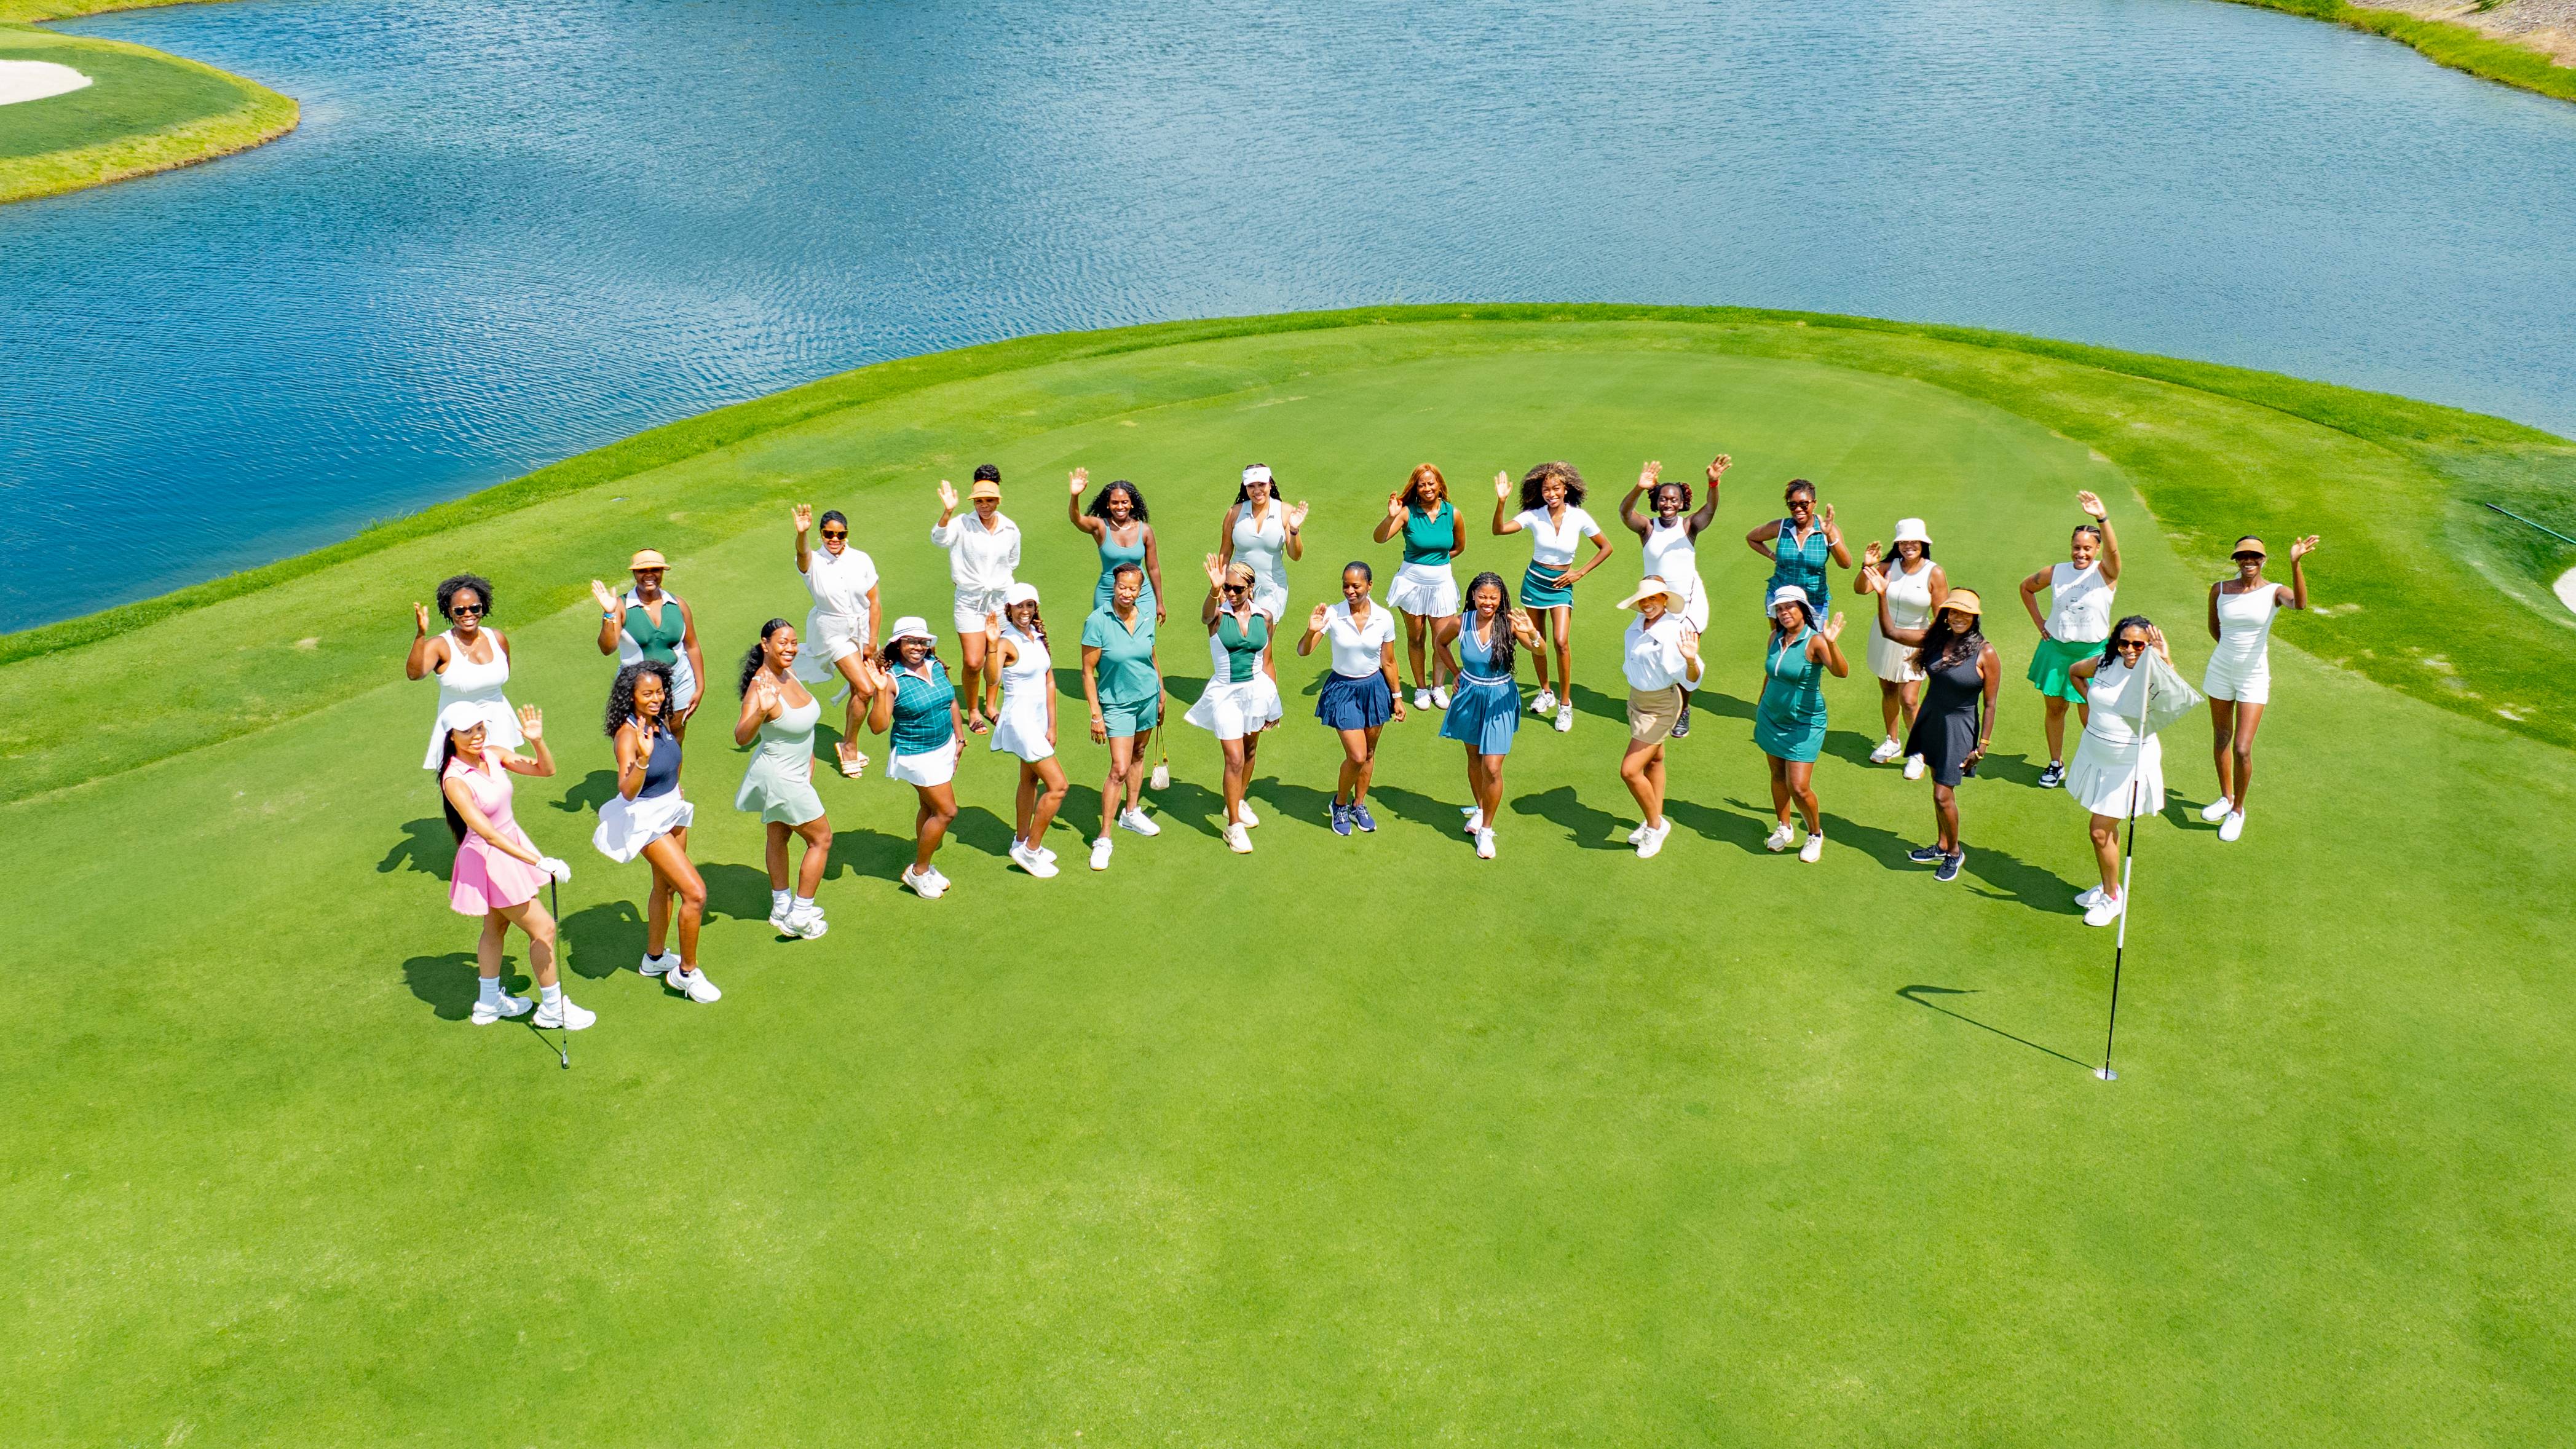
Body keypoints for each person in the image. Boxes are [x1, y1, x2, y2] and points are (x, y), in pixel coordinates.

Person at [436, 701, 588, 1030]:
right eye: (467, 731)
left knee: (495, 928)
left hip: (508, 848)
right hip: (491, 858)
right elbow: (488, 834)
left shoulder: (492, 753)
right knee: (544, 929)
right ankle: (552, 1008)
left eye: (479, 727)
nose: (477, 736)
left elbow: (545, 770)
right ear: (450, 737)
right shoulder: (454, 780)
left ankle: (488, 1004)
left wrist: (537, 740)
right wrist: (540, 861)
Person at [594, 661, 717, 1003]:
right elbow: (627, 789)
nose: (656, 698)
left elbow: (675, 758)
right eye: (647, 694)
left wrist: (675, 788)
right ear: (630, 697)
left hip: (671, 809)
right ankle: (687, 973)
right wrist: (644, 760)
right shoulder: (627, 735)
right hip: (645, 820)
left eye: (660, 691)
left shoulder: (660, 721)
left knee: (665, 889)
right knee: (695, 893)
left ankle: (654, 958)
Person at [1871, 588, 2000, 883]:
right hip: (1931, 720)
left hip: (1960, 726)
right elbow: (1890, 631)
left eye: (1965, 614)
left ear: (1974, 618)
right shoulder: (1935, 640)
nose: (1959, 618)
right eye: (1954, 612)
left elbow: (1990, 703)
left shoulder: (1986, 652)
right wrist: (1881, 594)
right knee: (1936, 786)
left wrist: (1982, 745)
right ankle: (1942, 845)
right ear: (1946, 614)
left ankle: (1955, 852)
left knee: (1944, 795)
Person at [2202, 534, 2318, 842]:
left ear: (2264, 559)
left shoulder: (2274, 591)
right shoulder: (2220, 589)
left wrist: (2296, 563)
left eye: (2254, 556)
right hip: (2220, 671)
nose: (2248, 561)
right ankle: (2226, 798)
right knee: (2222, 738)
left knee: (2242, 747)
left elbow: (2301, 604)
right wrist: (2230, 655)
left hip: (2253, 676)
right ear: (2236, 561)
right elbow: (2216, 629)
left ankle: (2238, 810)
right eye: (2243, 557)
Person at [2066, 617, 2175, 928]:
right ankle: (2108, 884)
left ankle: (2113, 898)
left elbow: (2171, 700)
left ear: (2148, 645)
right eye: (2124, 642)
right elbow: (2075, 672)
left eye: (2139, 644)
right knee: (2105, 829)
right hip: (2096, 753)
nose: (2130, 650)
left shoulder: (2154, 670)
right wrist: (2094, 706)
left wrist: (2165, 657)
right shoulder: (2103, 663)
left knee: (2099, 831)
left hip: (2130, 763)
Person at [1491, 460, 1613, 732]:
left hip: (1561, 586)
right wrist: (1501, 502)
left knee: (1560, 641)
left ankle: (1565, 705)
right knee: (1538, 641)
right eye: (1546, 489)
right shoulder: (1534, 515)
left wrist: (1578, 573)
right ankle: (1546, 692)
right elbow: (1499, 530)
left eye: (1556, 488)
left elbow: (1606, 548)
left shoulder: (1580, 516)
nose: (1551, 494)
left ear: (1566, 489)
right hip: (1535, 583)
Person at [733, 618, 832, 940]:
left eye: (794, 642)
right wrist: (761, 712)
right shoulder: (760, 685)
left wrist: (810, 760)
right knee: (821, 839)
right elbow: (742, 736)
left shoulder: (789, 672)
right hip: (779, 776)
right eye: (783, 642)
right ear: (765, 644)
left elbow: (802, 727)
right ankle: (800, 916)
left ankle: (781, 906)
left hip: (794, 773)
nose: (791, 648)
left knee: (778, 836)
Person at [856, 617, 968, 899]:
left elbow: (951, 701)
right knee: (947, 811)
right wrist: (881, 691)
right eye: (911, 641)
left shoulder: (937, 666)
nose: (918, 646)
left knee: (930, 808)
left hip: (944, 744)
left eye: (922, 641)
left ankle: (926, 867)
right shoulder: (892, 679)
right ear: (897, 644)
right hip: (916, 753)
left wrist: (960, 738)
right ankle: (918, 872)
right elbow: (878, 727)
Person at [2017, 492, 2123, 788]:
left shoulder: (2106, 572)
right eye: (2077, 547)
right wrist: (2041, 624)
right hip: (2056, 652)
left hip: (2092, 656)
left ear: (2098, 549)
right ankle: (2055, 764)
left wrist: (2101, 518)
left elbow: (2115, 553)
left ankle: (2097, 766)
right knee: (2055, 709)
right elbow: (2026, 588)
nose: (2081, 553)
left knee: (2091, 713)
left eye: (2088, 548)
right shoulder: (2056, 572)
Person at [1436, 572, 1544, 859]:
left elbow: (1541, 650)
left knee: (1493, 767)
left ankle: (1486, 830)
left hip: (1500, 699)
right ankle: (1481, 809)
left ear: (1500, 599)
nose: (1487, 602)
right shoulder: (1461, 623)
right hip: (1470, 695)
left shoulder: (1509, 624)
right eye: (1482, 596)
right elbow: (1440, 644)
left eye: (1493, 598)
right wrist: (1456, 672)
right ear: (1473, 596)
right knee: (1474, 758)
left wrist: (1532, 632)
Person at [1618, 456, 1726, 736]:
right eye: (1663, 499)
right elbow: (1625, 513)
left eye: (1674, 500)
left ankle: (1683, 710)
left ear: (1681, 503)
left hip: (1690, 604)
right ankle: (1658, 702)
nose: (1668, 504)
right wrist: (1639, 488)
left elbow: (1711, 510)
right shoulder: (1647, 528)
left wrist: (1713, 482)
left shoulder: (1689, 527)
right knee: (1654, 654)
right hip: (1656, 602)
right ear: (1657, 502)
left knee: (1685, 656)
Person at [1297, 561, 1407, 836]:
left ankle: (1359, 804)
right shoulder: (1333, 615)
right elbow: (1303, 651)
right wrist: (1312, 630)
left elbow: (1389, 661)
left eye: (1356, 586)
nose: (1350, 591)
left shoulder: (1384, 618)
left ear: (1370, 586)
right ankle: (1340, 804)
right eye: (1345, 585)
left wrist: (1398, 697)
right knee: (1357, 755)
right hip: (1343, 690)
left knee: (1370, 752)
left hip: (1375, 689)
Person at [1183, 557, 1283, 853]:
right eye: (1227, 587)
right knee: (1235, 758)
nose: (1232, 593)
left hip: (1256, 691)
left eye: (1237, 588)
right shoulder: (1217, 615)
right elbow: (1204, 616)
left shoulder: (1265, 618)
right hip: (1225, 694)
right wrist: (1214, 590)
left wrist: (1273, 702)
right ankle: (1234, 828)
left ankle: (1236, 802)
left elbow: (1267, 660)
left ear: (1251, 588)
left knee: (1251, 749)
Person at [1753, 585, 1851, 863]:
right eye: (1780, 609)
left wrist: (1832, 642)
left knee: (1799, 786)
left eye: (1790, 608)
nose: (1784, 613)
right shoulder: (1775, 636)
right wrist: (1761, 705)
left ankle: (1815, 834)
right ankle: (1784, 827)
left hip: (1804, 724)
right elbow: (1771, 674)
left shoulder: (1816, 641)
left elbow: (1841, 672)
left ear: (1803, 610)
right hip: (1771, 717)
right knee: (1776, 775)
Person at [1615, 576, 1707, 860]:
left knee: (1630, 771)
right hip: (1637, 701)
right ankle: (1654, 815)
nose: (1647, 604)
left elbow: (1692, 680)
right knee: (1655, 760)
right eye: (1643, 599)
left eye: (1653, 598)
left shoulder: (1674, 633)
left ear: (1665, 599)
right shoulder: (1635, 627)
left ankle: (1656, 826)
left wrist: (1691, 661)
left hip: (1662, 707)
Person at [1081, 561, 1164, 872]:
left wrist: (1162, 691)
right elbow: (1088, 672)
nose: (1126, 593)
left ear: (1140, 590)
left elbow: (1152, 656)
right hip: (1116, 704)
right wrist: (1095, 714)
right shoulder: (1097, 621)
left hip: (1147, 698)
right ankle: (1104, 837)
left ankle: (1131, 812)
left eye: (1132, 588)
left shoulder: (1146, 618)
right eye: (1121, 587)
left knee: (1139, 753)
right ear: (1113, 587)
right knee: (1118, 767)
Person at [984, 584, 1069, 878]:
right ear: (1008, 610)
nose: (1025, 612)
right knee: (1058, 786)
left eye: (1030, 606)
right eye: (1019, 606)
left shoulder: (1038, 637)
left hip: (1038, 719)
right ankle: (1030, 851)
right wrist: (993, 645)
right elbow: (992, 677)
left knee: (1029, 779)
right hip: (1019, 719)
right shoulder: (1006, 642)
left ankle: (1021, 840)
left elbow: (1049, 682)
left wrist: (1052, 725)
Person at [790, 503, 881, 776]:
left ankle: (849, 742)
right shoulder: (812, 561)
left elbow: (874, 602)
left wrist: (872, 641)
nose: (834, 540)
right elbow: (802, 553)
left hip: (862, 628)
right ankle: (849, 747)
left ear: (847, 534)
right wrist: (801, 534)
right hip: (832, 631)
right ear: (821, 534)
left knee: (858, 691)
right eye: (828, 534)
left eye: (840, 535)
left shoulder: (862, 559)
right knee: (866, 689)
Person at [930, 465, 1021, 733]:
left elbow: (1012, 562)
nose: (984, 506)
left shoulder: (1011, 529)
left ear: (998, 500)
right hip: (969, 600)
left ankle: (991, 706)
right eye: (979, 501)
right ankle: (973, 709)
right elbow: (939, 539)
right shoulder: (961, 524)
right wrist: (948, 512)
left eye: (989, 500)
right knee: (973, 661)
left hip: (999, 601)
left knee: (996, 656)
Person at [1854, 519, 1947, 777]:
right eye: (1904, 542)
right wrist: (1867, 567)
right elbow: (1861, 589)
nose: (1909, 546)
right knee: (1888, 689)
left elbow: (1941, 616)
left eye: (1914, 542)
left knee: (1909, 699)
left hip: (1917, 639)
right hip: (1884, 636)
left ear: (1923, 544)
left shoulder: (1934, 573)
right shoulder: (1887, 567)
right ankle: (1892, 741)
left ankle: (1918, 752)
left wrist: (1933, 646)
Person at [1372, 464, 1466, 709]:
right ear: (1416, 487)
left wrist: (1436, 564)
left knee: (1442, 639)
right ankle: (1421, 690)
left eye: (1431, 483)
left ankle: (1438, 687)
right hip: (1412, 584)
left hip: (1442, 584)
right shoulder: (1407, 513)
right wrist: (1391, 516)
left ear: (1439, 485)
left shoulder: (1452, 513)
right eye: (1422, 484)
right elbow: (1380, 538)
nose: (1427, 488)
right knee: (1416, 638)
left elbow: (1458, 547)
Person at [590, 550, 707, 746]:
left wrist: (700, 685)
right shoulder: (621, 606)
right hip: (637, 688)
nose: (649, 574)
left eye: (655, 569)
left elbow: (692, 645)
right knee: (642, 742)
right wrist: (609, 614)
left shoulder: (678, 605)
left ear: (663, 572)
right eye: (642, 570)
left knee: (675, 738)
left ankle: (672, 778)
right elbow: (607, 648)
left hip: (679, 682)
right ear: (635, 574)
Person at [409, 573, 521, 770]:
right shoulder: (440, 645)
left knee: (497, 786)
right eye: (460, 611)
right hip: (460, 731)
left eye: (474, 608)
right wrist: (421, 635)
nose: (468, 614)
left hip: (498, 724)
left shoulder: (498, 638)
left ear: (483, 607)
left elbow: (504, 673)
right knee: (467, 787)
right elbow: (415, 674)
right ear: (449, 612)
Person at [1219, 464, 1306, 643]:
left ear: (1270, 485)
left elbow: (1295, 555)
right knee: (1238, 641)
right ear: (1245, 487)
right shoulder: (1234, 513)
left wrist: (1294, 530)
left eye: (1262, 485)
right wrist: (1221, 587)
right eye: (1251, 486)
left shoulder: (1285, 511)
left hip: (1271, 588)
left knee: (1262, 643)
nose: (1257, 490)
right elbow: (1225, 554)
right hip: (1237, 587)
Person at [1745, 479, 1851, 625]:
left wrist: (1829, 534)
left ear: (1814, 503)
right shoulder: (1781, 527)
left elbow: (1846, 563)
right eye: (1792, 505)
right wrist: (1773, 557)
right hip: (1782, 601)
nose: (1798, 509)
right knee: (1781, 644)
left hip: (1814, 603)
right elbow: (1752, 538)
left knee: (1814, 645)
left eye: (1804, 504)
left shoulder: (1828, 529)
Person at [1065, 468, 1165, 622]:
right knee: (1107, 639)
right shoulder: (1100, 527)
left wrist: (1160, 602)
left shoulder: (1145, 530)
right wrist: (1075, 496)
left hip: (1141, 593)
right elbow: (1076, 519)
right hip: (1108, 592)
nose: (1120, 507)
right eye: (1115, 503)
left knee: (1144, 639)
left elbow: (1153, 568)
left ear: (1132, 504)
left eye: (1125, 502)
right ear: (1108, 505)